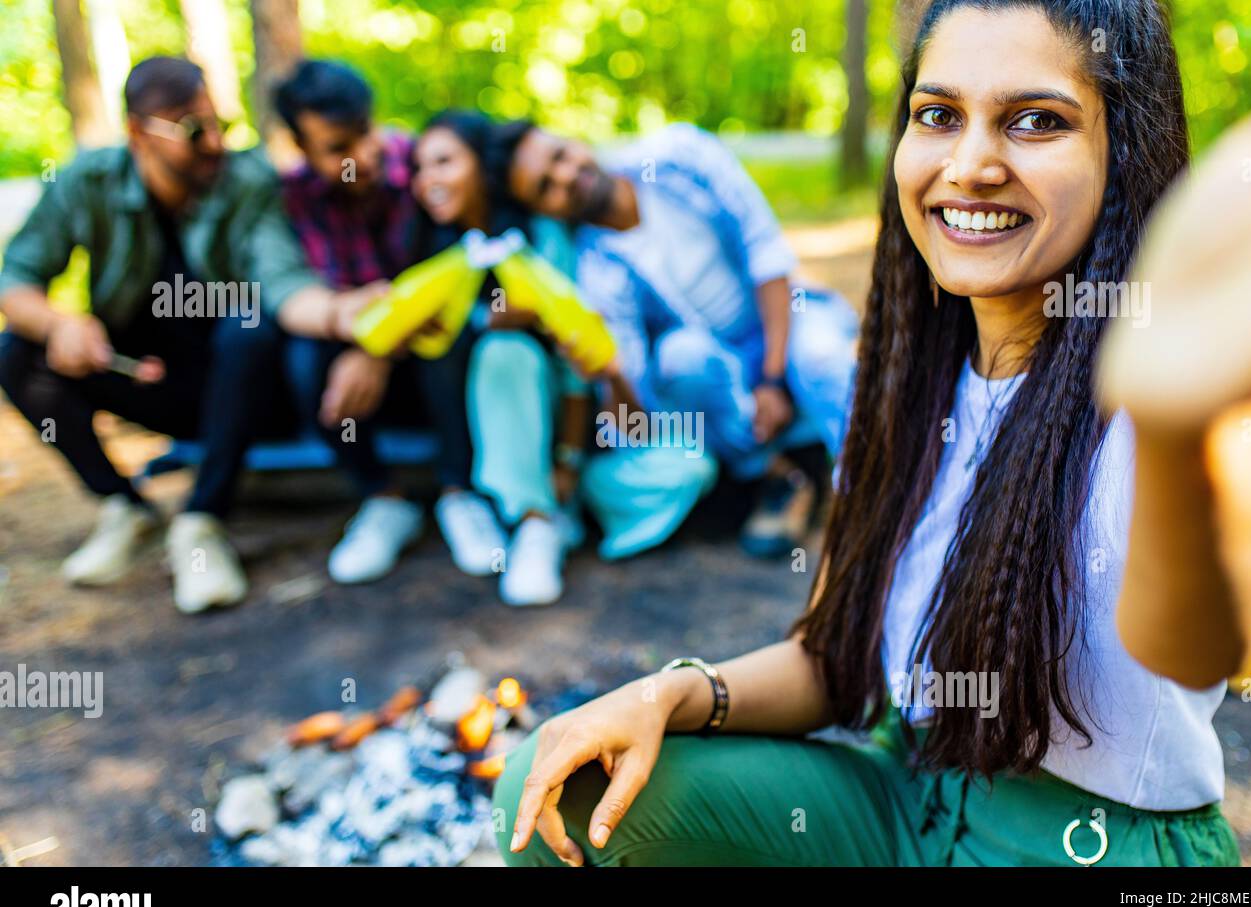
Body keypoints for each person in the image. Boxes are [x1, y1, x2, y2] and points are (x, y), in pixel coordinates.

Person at [493, 0, 1251, 866]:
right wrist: (674, 693)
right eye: (939, 115)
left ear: (1123, 147)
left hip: (1100, 849)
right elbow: (832, 662)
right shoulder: (909, 378)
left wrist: (1185, 424)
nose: (971, 164)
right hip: (899, 793)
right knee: (551, 786)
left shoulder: (1184, 393)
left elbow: (1202, 644)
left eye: (1036, 121)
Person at [0, 57, 376, 614]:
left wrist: (345, 314)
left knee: (249, 321)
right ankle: (124, 506)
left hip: (241, 389)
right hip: (145, 379)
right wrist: (62, 324)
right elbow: (17, 277)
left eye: (219, 123)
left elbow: (283, 282)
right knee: (14, 351)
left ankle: (202, 523)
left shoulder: (248, 183)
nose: (215, 143)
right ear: (138, 132)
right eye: (194, 130)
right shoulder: (90, 181)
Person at [502, 115, 859, 558]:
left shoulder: (678, 155)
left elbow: (764, 250)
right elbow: (634, 420)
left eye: (560, 155)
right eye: (545, 187)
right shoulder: (595, 272)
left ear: (576, 138)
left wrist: (770, 377)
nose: (567, 176)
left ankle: (869, 483)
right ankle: (780, 477)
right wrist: (609, 375)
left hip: (786, 316)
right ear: (544, 213)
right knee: (680, 357)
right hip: (722, 372)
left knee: (823, 359)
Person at [274, 61, 497, 585]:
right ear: (303, 149)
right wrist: (361, 335)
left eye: (365, 133)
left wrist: (376, 346)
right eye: (338, 148)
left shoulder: (419, 167)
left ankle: (460, 492)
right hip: (352, 348)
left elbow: (450, 274)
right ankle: (383, 498)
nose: (363, 156)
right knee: (302, 352)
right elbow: (312, 294)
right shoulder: (296, 196)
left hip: (423, 352)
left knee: (451, 331)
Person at [409, 110, 590, 605]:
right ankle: (464, 497)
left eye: (445, 162)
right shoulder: (430, 247)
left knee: (504, 348)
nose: (429, 182)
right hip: (464, 425)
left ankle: (538, 520)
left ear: (482, 164)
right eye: (420, 169)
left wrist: (569, 459)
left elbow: (578, 353)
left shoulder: (538, 238)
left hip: (545, 410)